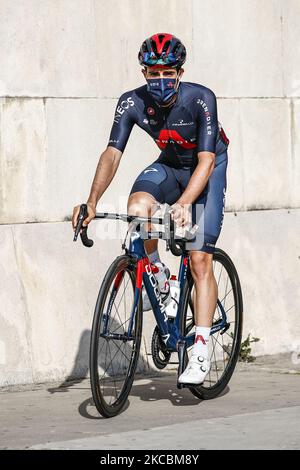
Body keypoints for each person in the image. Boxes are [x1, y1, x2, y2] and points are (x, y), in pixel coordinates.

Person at [72, 33, 229, 385]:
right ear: (143, 72)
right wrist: (92, 202)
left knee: (199, 257)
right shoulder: (131, 103)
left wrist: (186, 204)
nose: (160, 81)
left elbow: (205, 159)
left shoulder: (200, 99)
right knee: (137, 208)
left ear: (180, 72)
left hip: (208, 167)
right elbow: (112, 153)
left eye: (167, 74)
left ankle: (201, 347)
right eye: (152, 74)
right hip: (172, 165)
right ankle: (159, 277)